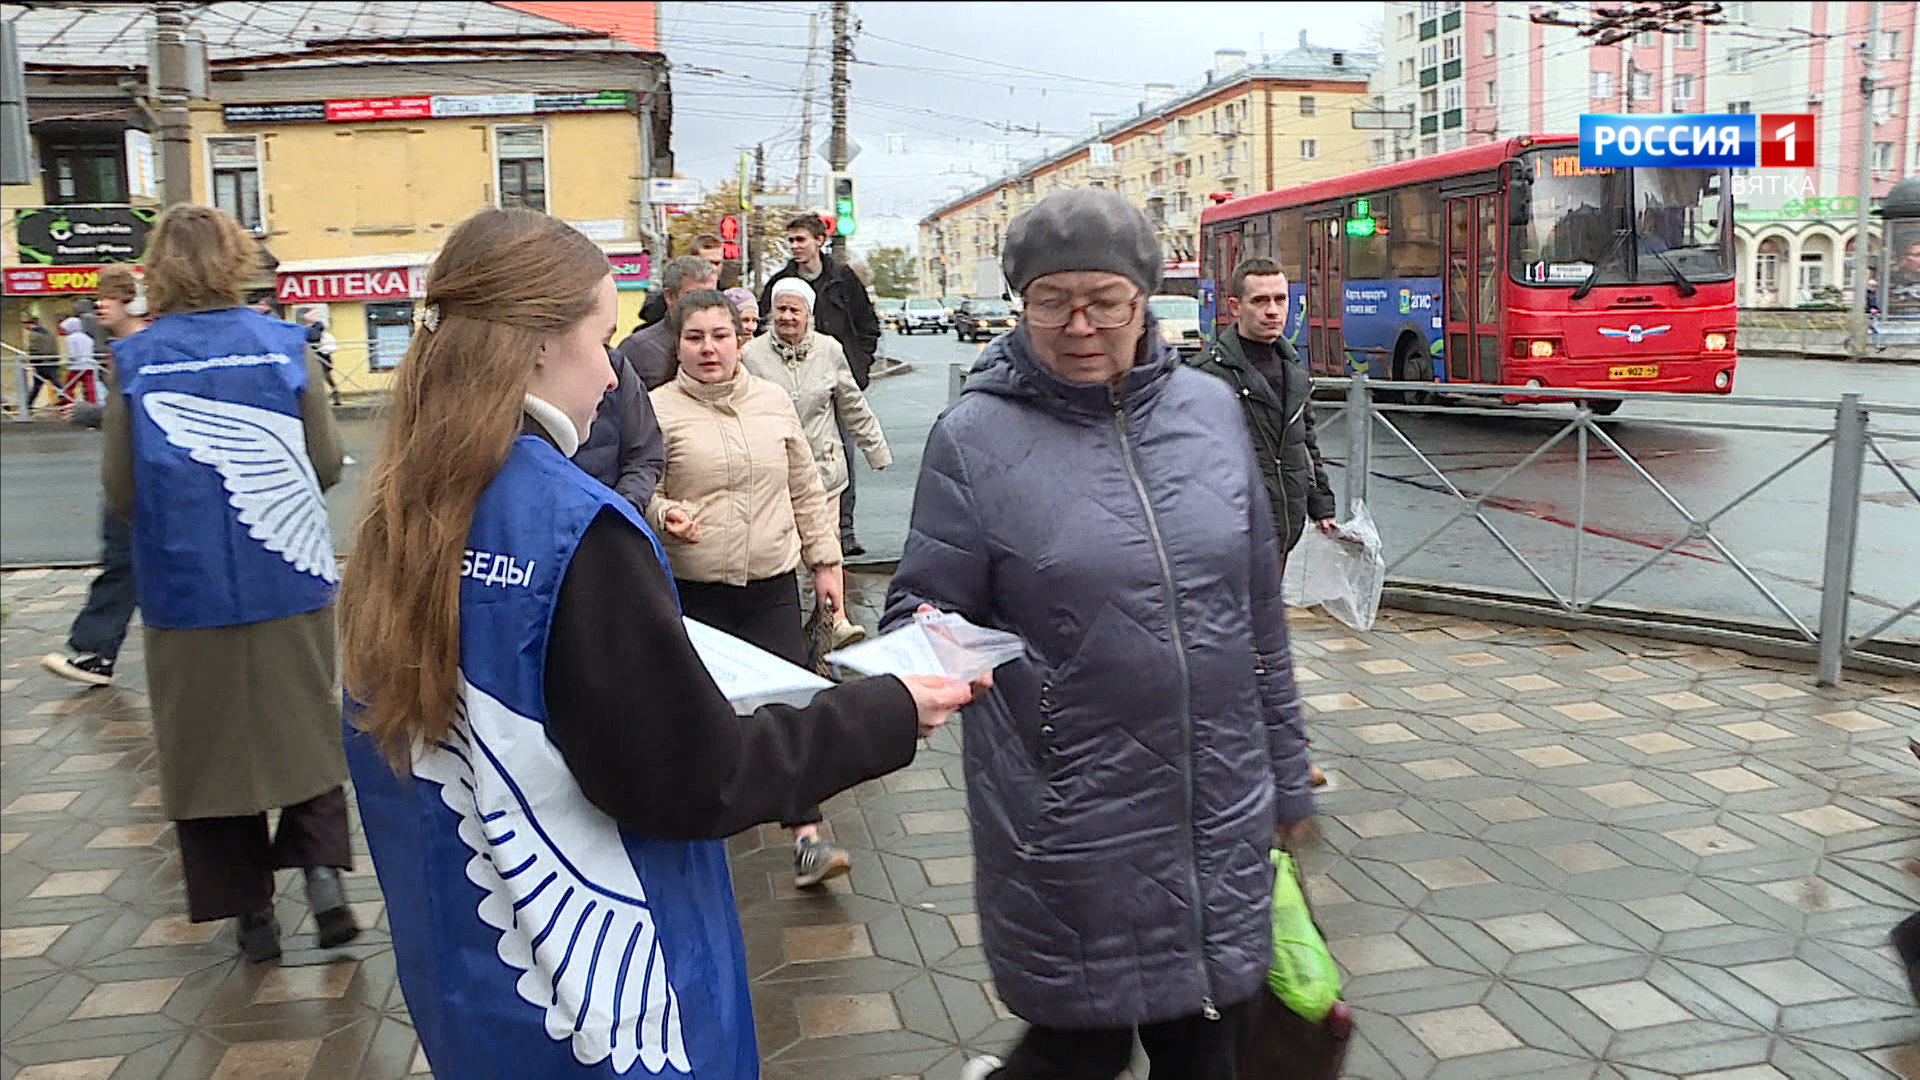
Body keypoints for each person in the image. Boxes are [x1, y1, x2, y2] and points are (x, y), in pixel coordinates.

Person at [336, 208, 976, 1076]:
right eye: (602, 339)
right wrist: (889, 710)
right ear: (532, 346)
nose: (611, 376)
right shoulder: (575, 531)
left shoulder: (402, 508)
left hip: (474, 984)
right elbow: (691, 779)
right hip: (619, 1016)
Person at [884, 189, 1316, 1080]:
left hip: (1219, 814)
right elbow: (922, 608)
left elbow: (1258, 617)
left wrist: (1287, 776)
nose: (1079, 325)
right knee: (1077, 1048)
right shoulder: (973, 437)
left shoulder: (1210, 412)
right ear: (1022, 303)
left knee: (1210, 1049)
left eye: (1104, 301)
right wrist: (919, 653)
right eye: (1051, 302)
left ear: (1145, 299)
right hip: (1073, 819)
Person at [101, 204, 355, 962]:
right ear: (238, 259)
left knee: (206, 749)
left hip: (186, 590)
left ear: (158, 268)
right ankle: (322, 878)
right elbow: (329, 462)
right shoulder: (285, 348)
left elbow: (121, 491)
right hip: (287, 578)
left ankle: (251, 915)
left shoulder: (136, 363)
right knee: (302, 729)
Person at [650, 287, 866, 888]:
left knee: (789, 712)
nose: (709, 348)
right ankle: (690, 845)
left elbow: (806, 489)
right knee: (698, 718)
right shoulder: (657, 410)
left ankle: (808, 841)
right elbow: (635, 488)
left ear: (740, 339)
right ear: (679, 344)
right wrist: (662, 511)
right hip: (694, 595)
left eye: (720, 335)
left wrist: (827, 568)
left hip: (771, 584)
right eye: (695, 338)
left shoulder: (772, 402)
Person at [742, 276, 892, 593]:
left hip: (825, 470)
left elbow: (852, 404)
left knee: (825, 550)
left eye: (795, 310)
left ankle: (831, 624)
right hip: (776, 475)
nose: (787, 317)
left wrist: (875, 450)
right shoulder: (751, 356)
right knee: (789, 551)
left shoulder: (829, 350)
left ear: (808, 314)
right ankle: (797, 621)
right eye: (780, 309)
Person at [1188, 258, 1337, 561]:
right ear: (1235, 306)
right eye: (1259, 301)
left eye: (1280, 299)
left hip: (1284, 527)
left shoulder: (1294, 369)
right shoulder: (1206, 374)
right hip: (1229, 535)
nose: (1272, 310)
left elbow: (1305, 441)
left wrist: (1321, 505)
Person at [42, 266, 148, 687]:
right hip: (131, 473)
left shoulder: (140, 349)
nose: (101, 303)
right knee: (128, 565)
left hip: (142, 477)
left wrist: (92, 414)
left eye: (111, 295)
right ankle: (97, 653)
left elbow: (142, 411)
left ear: (134, 301)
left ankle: (95, 653)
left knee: (124, 564)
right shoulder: (123, 347)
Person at [761, 214, 882, 555]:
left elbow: (867, 324)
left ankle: (843, 530)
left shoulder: (843, 280)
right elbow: (761, 328)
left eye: (801, 239)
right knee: (791, 454)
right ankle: (793, 527)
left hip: (836, 379)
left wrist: (860, 364)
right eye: (792, 241)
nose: (796, 247)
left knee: (840, 452)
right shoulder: (779, 282)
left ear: (819, 240)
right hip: (790, 381)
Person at [613, 254, 718, 389]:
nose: (704, 303)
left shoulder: (726, 342)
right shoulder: (638, 349)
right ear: (669, 296)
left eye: (711, 294)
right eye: (693, 295)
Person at [636, 233, 731, 328]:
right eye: (708, 262)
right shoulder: (662, 302)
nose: (713, 268)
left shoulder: (726, 294)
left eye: (717, 263)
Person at [300, 307, 342, 406]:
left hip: (321, 356)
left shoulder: (317, 326)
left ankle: (335, 396)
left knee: (326, 377)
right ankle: (324, 397)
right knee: (317, 378)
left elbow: (314, 337)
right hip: (313, 356)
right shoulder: (307, 328)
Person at [23, 314, 60, 417]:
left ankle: (27, 407)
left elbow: (34, 350)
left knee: (38, 386)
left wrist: (32, 362)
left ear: (30, 324)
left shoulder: (33, 335)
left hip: (41, 364)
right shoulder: (49, 333)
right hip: (52, 361)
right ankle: (67, 400)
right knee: (54, 383)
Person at [60, 316, 98, 405]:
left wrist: (67, 361)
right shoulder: (87, 337)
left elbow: (73, 354)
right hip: (89, 365)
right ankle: (91, 404)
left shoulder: (70, 338)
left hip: (76, 366)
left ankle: (71, 404)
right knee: (89, 388)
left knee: (68, 387)